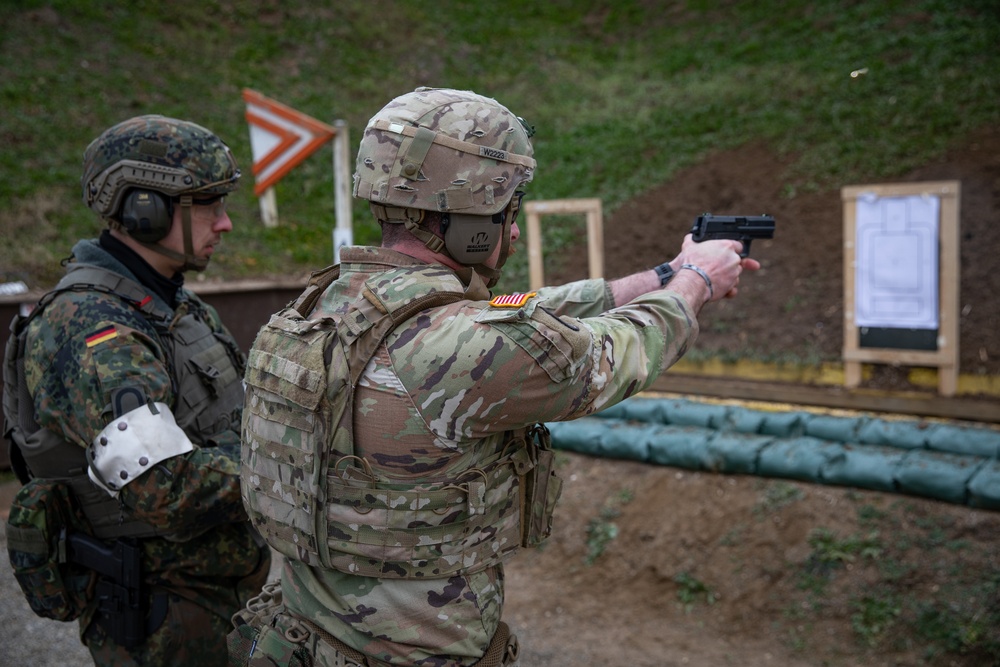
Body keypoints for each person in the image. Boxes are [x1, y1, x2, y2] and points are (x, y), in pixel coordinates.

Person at [232, 87, 759, 667]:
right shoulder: (460, 346)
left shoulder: (322, 305)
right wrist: (696, 286)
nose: (510, 232)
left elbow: (523, 312)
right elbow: (616, 351)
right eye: (505, 213)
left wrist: (665, 273)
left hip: (307, 640)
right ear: (467, 224)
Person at [3, 115, 270, 666]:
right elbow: (163, 488)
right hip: (166, 619)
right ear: (143, 210)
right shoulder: (91, 328)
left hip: (222, 598)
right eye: (209, 205)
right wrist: (297, 462)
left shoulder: (171, 305)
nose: (225, 224)